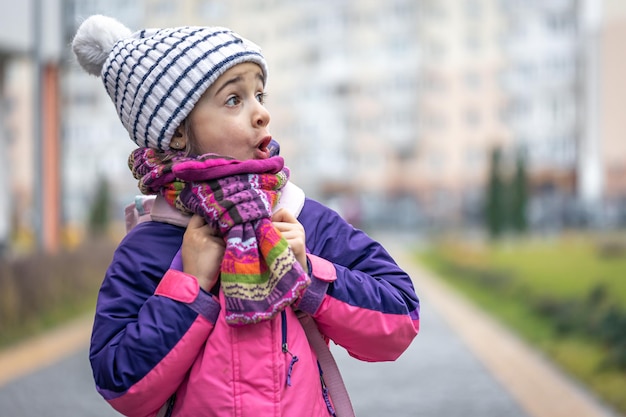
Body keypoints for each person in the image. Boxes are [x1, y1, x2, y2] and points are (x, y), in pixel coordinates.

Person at [72, 14, 420, 417]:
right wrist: (189, 287)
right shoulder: (152, 245)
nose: (261, 114)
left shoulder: (296, 217)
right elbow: (120, 384)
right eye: (234, 99)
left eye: (260, 95)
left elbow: (400, 316)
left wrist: (308, 272)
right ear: (177, 133)